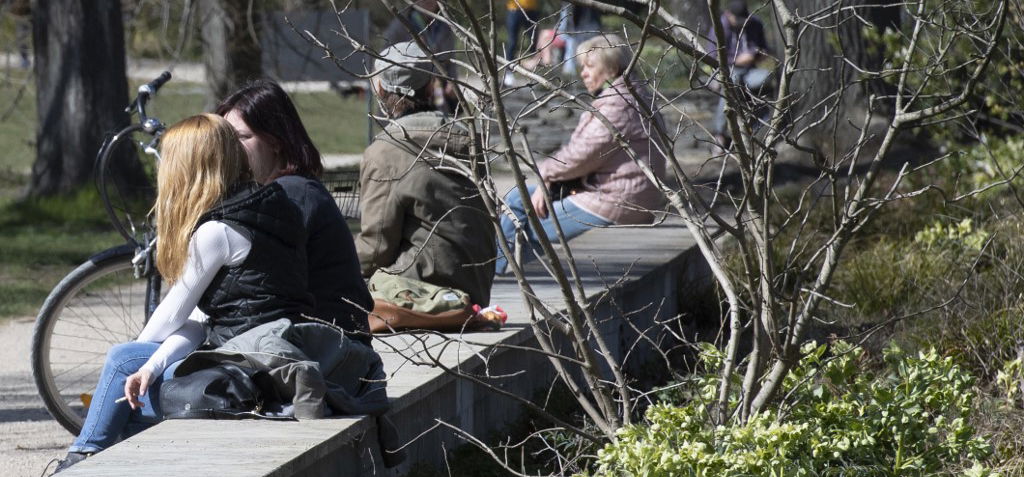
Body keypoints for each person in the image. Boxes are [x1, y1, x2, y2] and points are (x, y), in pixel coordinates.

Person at [54, 114, 315, 472]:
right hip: (271, 360)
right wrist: (150, 365)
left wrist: (135, 359)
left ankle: (77, 462)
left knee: (121, 363)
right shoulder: (270, 207)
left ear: (189, 168)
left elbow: (173, 316)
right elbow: (201, 321)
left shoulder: (218, 231)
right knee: (130, 396)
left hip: (250, 378)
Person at [215, 79, 375, 345]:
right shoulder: (289, 190)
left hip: (326, 352)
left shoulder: (290, 197)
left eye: (241, 137)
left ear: (275, 141)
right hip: (311, 342)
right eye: (225, 139)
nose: (229, 148)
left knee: (132, 362)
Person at [360, 41, 504, 333]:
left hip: (421, 291)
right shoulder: (464, 135)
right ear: (430, 86)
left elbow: (376, 248)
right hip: (474, 289)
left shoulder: (389, 149)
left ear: (380, 88)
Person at [495, 34, 667, 274]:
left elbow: (580, 157)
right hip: (621, 193)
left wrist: (545, 173)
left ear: (612, 68)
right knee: (517, 200)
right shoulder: (633, 96)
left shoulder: (618, 105)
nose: (583, 73)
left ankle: (498, 279)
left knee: (522, 225)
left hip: (616, 200)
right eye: (582, 67)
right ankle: (502, 273)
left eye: (590, 66)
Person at [706, 0, 771, 150]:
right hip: (726, 71)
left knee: (767, 78)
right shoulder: (720, 26)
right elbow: (712, 56)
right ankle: (720, 133)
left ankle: (754, 131)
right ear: (728, 15)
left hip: (750, 71)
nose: (742, 24)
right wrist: (737, 60)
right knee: (731, 82)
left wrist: (760, 55)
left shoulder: (755, 24)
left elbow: (764, 48)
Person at [383, 0, 459, 113]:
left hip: (438, 92)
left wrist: (452, 82)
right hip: (406, 96)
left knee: (441, 121)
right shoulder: (400, 25)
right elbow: (384, 60)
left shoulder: (446, 26)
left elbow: (450, 60)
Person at [504, 0, 541, 85]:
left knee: (535, 41)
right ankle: (508, 72)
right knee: (512, 42)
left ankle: (535, 72)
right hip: (514, 10)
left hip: (531, 10)